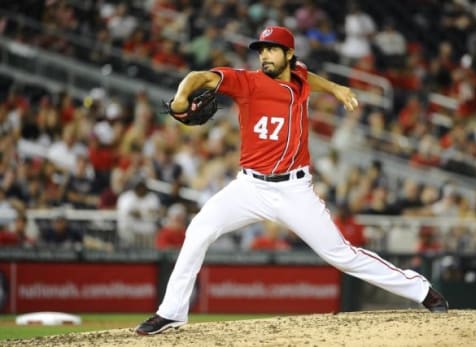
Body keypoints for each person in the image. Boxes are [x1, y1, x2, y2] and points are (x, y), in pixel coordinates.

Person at [135, 25, 448, 336]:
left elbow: (307, 77)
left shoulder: (299, 76)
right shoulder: (246, 82)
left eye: (272, 49)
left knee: (341, 255)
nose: (264, 56)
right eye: (261, 50)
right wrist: (179, 99)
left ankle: (421, 290)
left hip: (294, 190)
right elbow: (200, 77)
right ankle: (171, 312)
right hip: (249, 187)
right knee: (199, 230)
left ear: (289, 54)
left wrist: (336, 89)